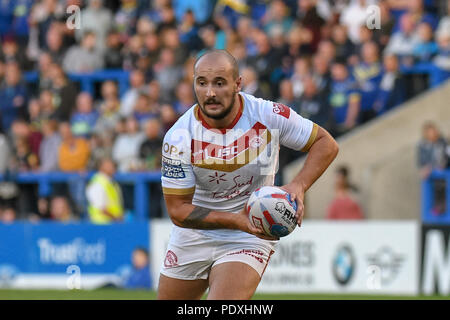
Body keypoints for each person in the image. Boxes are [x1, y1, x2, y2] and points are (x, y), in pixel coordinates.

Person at [157, 50, 338, 300]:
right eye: (202, 83)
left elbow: (325, 143)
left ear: (238, 84)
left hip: (250, 233)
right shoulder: (179, 137)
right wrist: (234, 219)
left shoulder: (267, 115)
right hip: (194, 232)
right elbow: (178, 210)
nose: (210, 92)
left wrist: (299, 184)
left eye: (219, 83)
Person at [417, 121, 448, 215]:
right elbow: (421, 161)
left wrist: (442, 165)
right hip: (431, 174)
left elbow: (445, 157)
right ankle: (436, 208)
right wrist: (426, 168)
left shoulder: (443, 142)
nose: (433, 133)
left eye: (434, 131)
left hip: (443, 173)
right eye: (430, 132)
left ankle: (441, 207)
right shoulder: (422, 145)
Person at [86, 157, 124, 224]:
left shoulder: (111, 182)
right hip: (100, 224)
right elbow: (101, 208)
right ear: (101, 167)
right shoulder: (97, 183)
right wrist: (116, 218)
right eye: (109, 165)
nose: (113, 167)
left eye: (112, 165)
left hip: (111, 223)